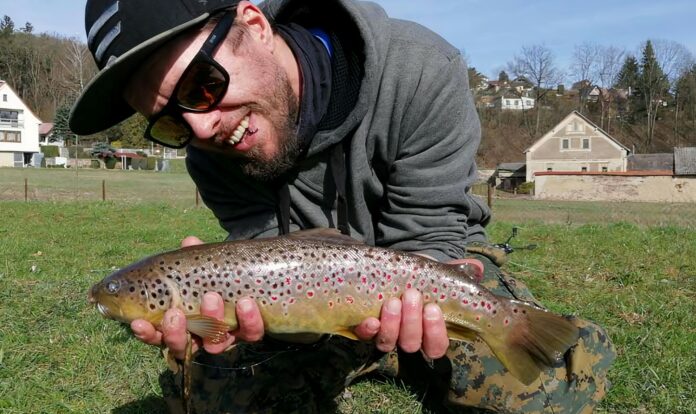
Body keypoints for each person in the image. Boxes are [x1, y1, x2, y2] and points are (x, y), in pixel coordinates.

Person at [69, 0, 616, 412]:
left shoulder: (420, 70)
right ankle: (382, 358)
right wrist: (275, 324)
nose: (202, 127)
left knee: (557, 385)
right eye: (168, 121)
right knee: (205, 395)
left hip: (426, 270)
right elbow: (271, 278)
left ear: (255, 24)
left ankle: (424, 351)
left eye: (204, 85)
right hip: (314, 295)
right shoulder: (209, 151)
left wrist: (418, 314)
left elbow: (430, 237)